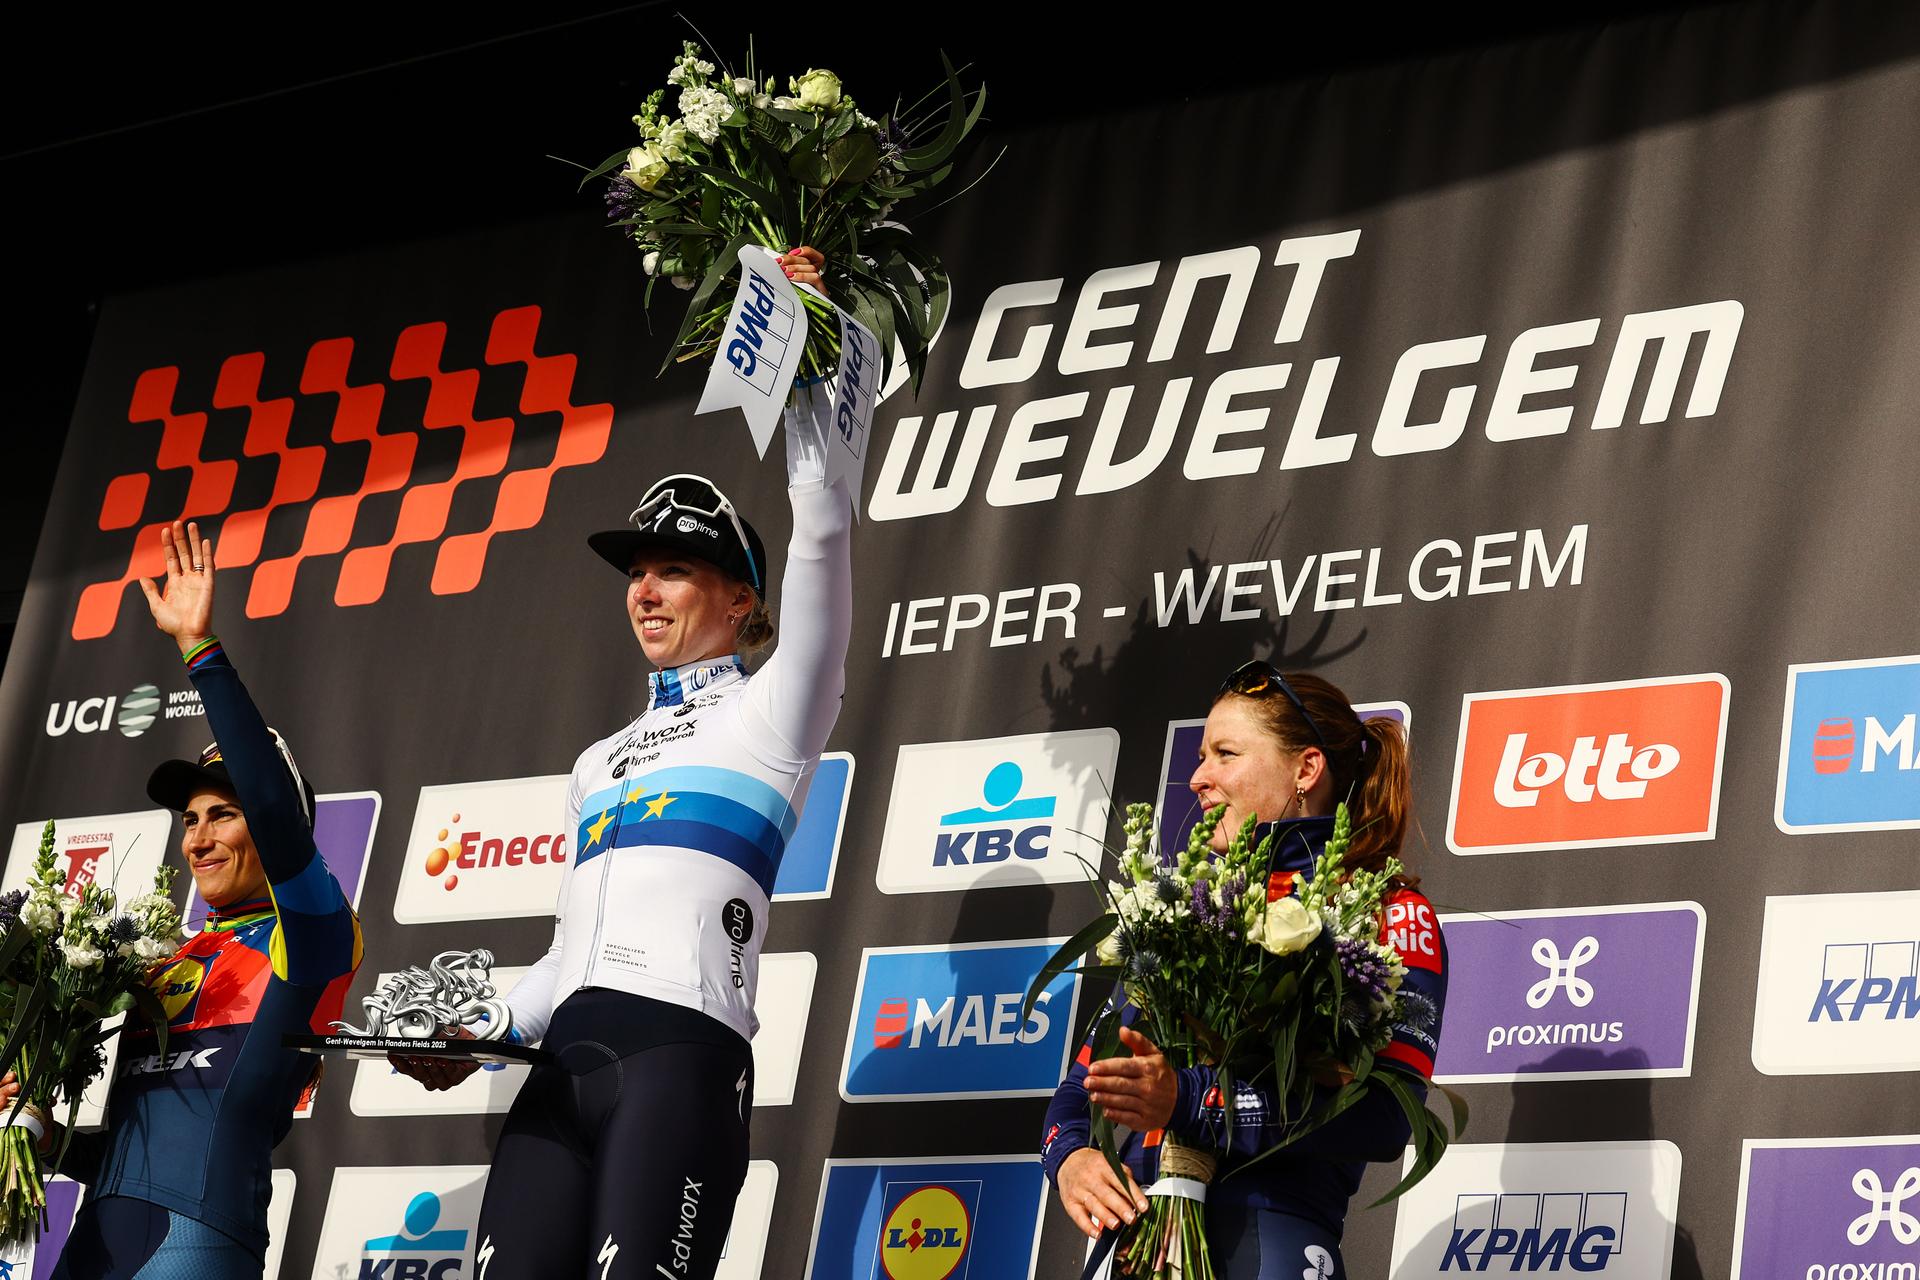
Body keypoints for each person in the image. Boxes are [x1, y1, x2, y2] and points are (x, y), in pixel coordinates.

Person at [392, 247, 852, 1280]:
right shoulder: (597, 759)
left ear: (741, 599)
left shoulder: (777, 707)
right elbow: (568, 958)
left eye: (675, 570)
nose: (645, 591)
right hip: (560, 1066)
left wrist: (809, 352)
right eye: (637, 572)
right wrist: (476, 1033)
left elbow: (823, 528)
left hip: (679, 1061)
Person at [0, 520, 363, 1279]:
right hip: (96, 1243)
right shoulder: (164, 962)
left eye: (223, 814)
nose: (198, 838)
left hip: (197, 1243)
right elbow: (130, 1159)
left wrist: (201, 651)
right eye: (189, 819)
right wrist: (38, 1128)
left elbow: (279, 816)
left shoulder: (314, 936)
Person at [1040, 663, 1448, 1280]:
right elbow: (1087, 1082)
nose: (1198, 778)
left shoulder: (1389, 912)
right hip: (1136, 1239)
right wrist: (1072, 1155)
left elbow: (1387, 1119)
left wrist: (1193, 1103)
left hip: (1270, 1244)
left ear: (1305, 769)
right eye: (1202, 756)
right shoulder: (1183, 907)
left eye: (1224, 754)